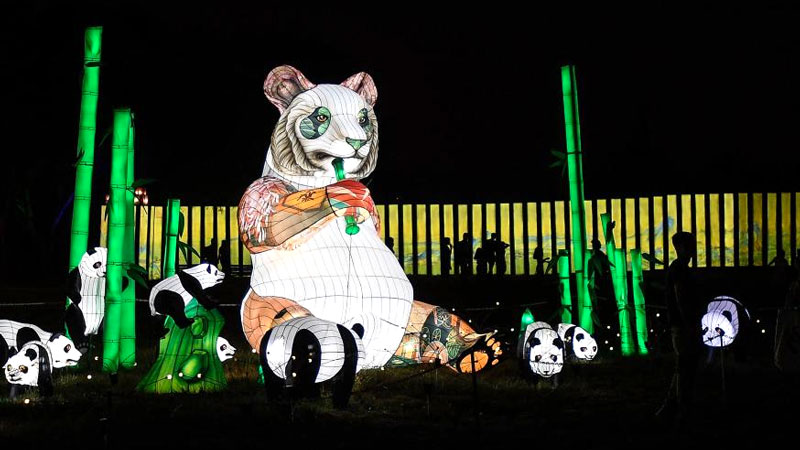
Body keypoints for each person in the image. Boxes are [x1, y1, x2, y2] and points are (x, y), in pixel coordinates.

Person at [657, 231, 702, 424]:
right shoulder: (680, 270)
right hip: (683, 326)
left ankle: (671, 406)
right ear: (682, 248)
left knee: (683, 366)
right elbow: (681, 297)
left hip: (680, 325)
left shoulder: (678, 268)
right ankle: (681, 409)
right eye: (690, 245)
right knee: (686, 368)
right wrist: (690, 323)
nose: (693, 249)